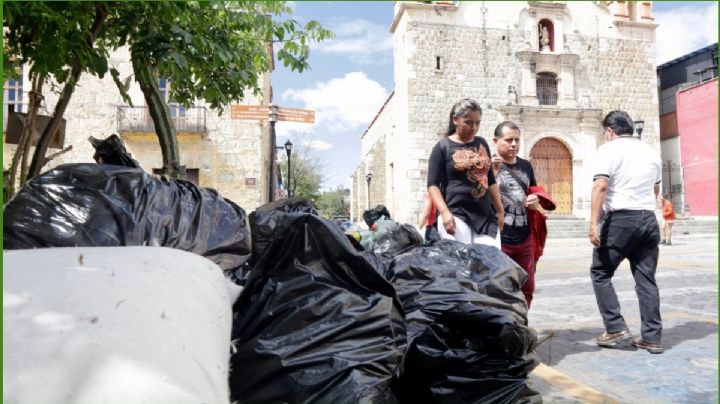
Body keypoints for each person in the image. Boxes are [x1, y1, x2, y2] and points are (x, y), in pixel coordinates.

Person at [588, 110, 664, 354]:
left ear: (610, 131)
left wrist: (593, 223)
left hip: (621, 220)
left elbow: (601, 185)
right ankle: (651, 337)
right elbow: (655, 188)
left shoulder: (608, 150)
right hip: (648, 218)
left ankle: (615, 327)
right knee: (646, 278)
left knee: (600, 272)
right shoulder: (651, 152)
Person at [427, 98, 504, 248]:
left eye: (477, 123)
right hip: (456, 214)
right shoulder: (442, 147)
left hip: (485, 215)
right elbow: (432, 185)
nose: (473, 128)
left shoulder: (482, 143)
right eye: (468, 122)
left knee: (492, 265)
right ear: (455, 119)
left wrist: (500, 210)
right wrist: (444, 212)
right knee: (463, 266)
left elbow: (490, 180)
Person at [491, 121, 540, 307]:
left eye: (517, 140)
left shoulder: (526, 166)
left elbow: (533, 191)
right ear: (495, 141)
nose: (513, 144)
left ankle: (521, 324)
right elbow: (478, 197)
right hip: (499, 238)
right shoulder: (487, 165)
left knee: (527, 286)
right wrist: (492, 174)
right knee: (500, 287)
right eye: (508, 140)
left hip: (525, 237)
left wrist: (535, 200)